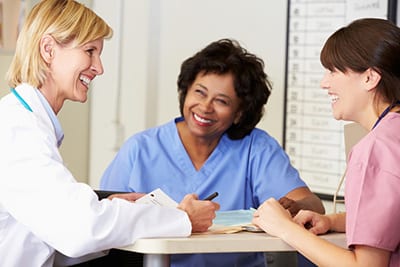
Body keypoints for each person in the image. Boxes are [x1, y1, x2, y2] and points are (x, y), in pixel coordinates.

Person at [0, 1, 219, 267]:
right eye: (90, 51)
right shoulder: (18, 129)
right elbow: (79, 229)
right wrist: (182, 219)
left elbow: (53, 235)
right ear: (48, 50)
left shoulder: (26, 123)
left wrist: (109, 207)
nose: (99, 67)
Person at [100, 38, 325, 266]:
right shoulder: (140, 149)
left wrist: (294, 207)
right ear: (185, 91)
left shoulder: (256, 147)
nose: (206, 107)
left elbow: (312, 204)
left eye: (221, 101)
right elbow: (107, 220)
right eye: (199, 92)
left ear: (239, 112)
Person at [252, 18, 400, 267]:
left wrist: (285, 228)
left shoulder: (374, 150)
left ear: (370, 78)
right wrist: (332, 221)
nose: (324, 83)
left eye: (333, 71)